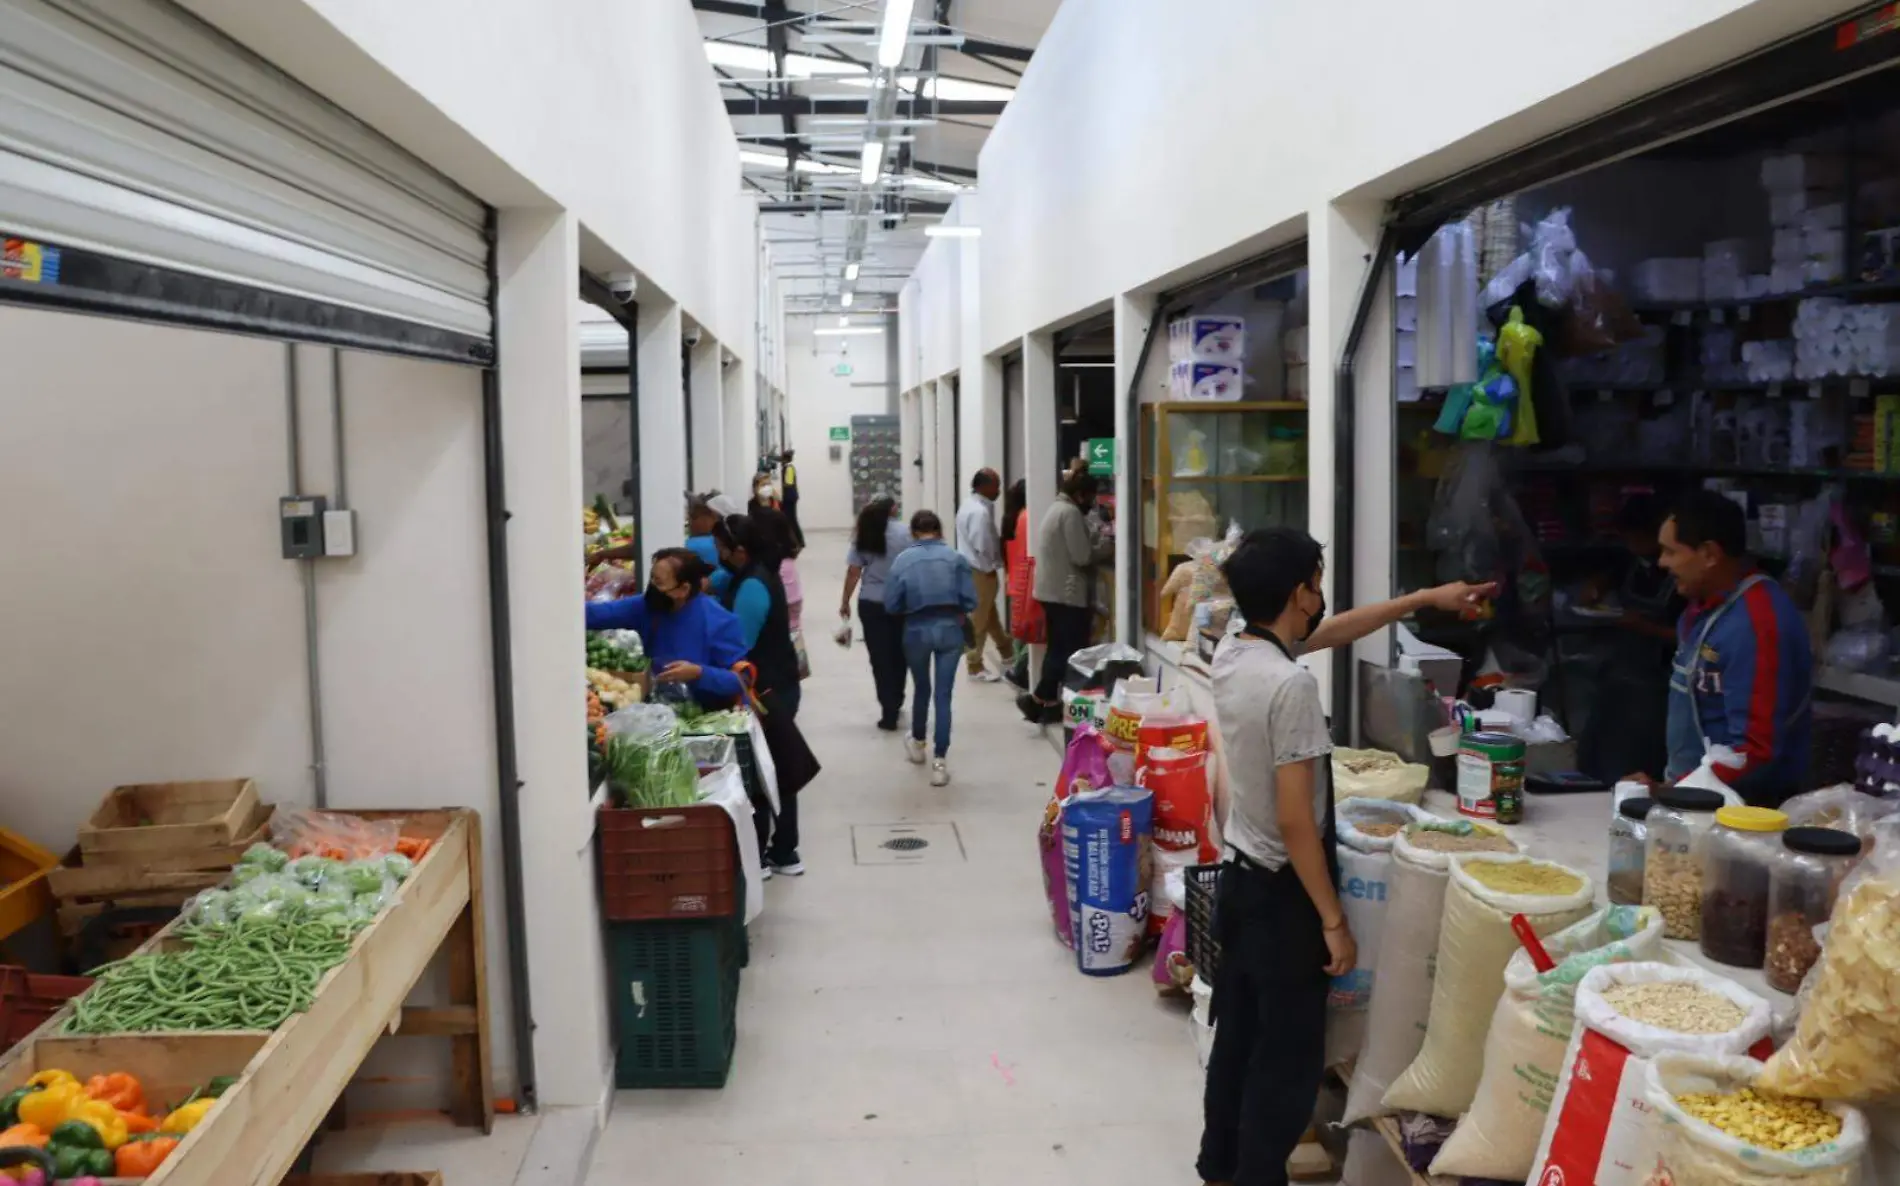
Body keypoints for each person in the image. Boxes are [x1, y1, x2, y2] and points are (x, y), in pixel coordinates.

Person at [1198, 526, 1493, 1186]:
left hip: (1239, 887)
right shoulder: (1292, 687)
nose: (1323, 595)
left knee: (1239, 1042)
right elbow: (1298, 820)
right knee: (1287, 1066)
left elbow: (1336, 631)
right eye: (1318, 581)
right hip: (1283, 899)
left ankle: (1218, 1167)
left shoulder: (1234, 653)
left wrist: (1423, 598)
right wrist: (1332, 919)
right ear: (1301, 592)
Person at [1651, 489, 1813, 806]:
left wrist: (1674, 790)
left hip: (1743, 807)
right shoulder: (1702, 609)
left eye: (1671, 551)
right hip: (1695, 793)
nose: (1662, 562)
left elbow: (1754, 752)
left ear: (1710, 554)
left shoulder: (1756, 622)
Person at [711, 514, 819, 875]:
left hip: (768, 689)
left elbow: (738, 645)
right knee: (775, 766)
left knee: (769, 772)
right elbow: (715, 579)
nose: (719, 557)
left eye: (721, 550)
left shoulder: (754, 586)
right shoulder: (752, 572)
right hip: (776, 683)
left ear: (739, 551)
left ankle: (771, 854)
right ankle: (782, 851)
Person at [1578, 494, 1683, 783]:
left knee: (1639, 759)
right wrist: (1596, 587)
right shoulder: (1630, 562)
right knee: (1600, 750)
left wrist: (1646, 627)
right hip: (1621, 673)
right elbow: (1608, 576)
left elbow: (1692, 640)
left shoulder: (1680, 578)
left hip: (1658, 682)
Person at [583, 548, 747, 707]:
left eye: (659, 583)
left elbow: (741, 680)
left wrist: (699, 673)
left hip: (707, 717)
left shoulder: (720, 622)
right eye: (652, 579)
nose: (652, 587)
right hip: (661, 707)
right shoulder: (646, 606)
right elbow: (597, 614)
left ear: (683, 589)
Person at [885, 509, 978, 786]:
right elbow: (971, 601)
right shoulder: (956, 558)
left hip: (915, 630)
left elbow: (891, 604)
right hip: (950, 630)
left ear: (913, 532)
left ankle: (918, 743)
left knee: (922, 688)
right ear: (940, 531)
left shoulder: (903, 561)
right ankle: (940, 762)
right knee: (943, 695)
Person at [1018, 469, 1114, 724]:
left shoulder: (1057, 508)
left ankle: (1046, 702)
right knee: (1068, 650)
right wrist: (1107, 547)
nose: (1092, 503)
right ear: (1081, 494)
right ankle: (1040, 699)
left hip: (1053, 591)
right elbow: (1081, 556)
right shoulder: (1070, 513)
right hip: (1067, 593)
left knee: (1058, 648)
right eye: (1090, 497)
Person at [841, 496, 913, 730]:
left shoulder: (865, 532)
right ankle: (897, 698)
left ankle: (888, 709)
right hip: (902, 603)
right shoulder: (906, 532)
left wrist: (845, 601)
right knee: (900, 654)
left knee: (880, 658)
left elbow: (854, 572)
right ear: (894, 509)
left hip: (871, 603)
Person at [955, 468, 1011, 682]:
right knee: (979, 620)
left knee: (990, 615)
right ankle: (974, 665)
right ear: (984, 486)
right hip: (979, 570)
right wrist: (995, 563)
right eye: (996, 485)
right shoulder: (979, 512)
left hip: (974, 569)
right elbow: (983, 545)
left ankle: (1007, 652)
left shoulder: (970, 505)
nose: (998, 490)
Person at [1000, 479, 1032, 689]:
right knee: (1031, 627)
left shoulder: (1010, 518)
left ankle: (1017, 667)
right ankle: (1020, 669)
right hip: (1026, 577)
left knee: (1019, 627)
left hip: (1014, 575)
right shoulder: (1027, 517)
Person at [778, 449, 805, 549]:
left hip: (790, 497)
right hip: (790, 497)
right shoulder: (788, 467)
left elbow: (788, 483)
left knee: (791, 519)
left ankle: (798, 540)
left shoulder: (789, 468)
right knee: (790, 519)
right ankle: (797, 540)